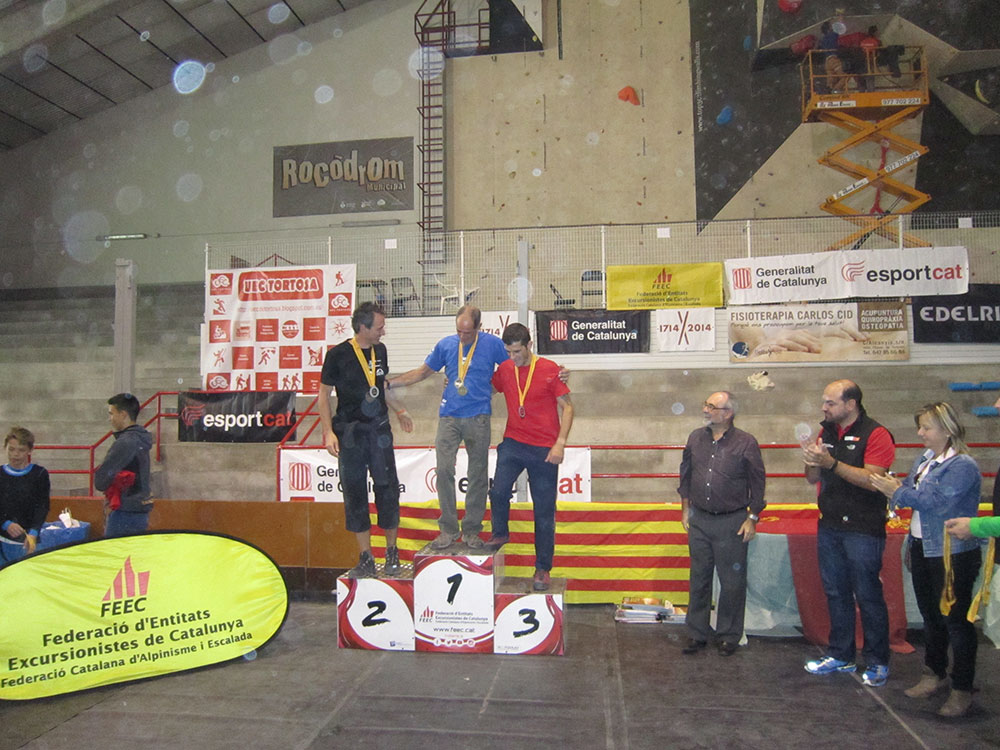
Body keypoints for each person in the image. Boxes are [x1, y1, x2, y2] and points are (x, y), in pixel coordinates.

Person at [871, 402, 981, 717]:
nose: (920, 433)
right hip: (923, 546)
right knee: (931, 616)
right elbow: (910, 490)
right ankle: (934, 672)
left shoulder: (962, 465)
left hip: (953, 552)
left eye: (926, 427)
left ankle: (962, 688)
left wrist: (895, 491)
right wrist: (894, 488)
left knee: (957, 622)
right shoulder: (926, 459)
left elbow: (936, 503)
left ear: (947, 429)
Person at [386, 306, 510, 550]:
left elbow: (514, 368)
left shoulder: (492, 344)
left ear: (479, 327)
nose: (462, 337)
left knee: (477, 475)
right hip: (449, 417)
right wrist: (391, 383)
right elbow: (422, 372)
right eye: (459, 331)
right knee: (443, 470)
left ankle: (471, 530)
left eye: (468, 332)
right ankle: (448, 530)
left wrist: (492, 389)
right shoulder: (445, 345)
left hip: (478, 417)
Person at [802, 379, 895, 687]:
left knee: (868, 595)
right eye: (824, 402)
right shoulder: (826, 432)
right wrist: (812, 462)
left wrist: (831, 463)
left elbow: (873, 480)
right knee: (836, 592)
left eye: (830, 403)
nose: (824, 408)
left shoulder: (876, 434)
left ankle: (878, 660)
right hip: (830, 525)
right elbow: (812, 478)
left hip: (863, 528)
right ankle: (841, 654)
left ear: (851, 404)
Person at [318, 302, 413, 578]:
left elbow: (379, 387)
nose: (383, 331)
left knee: (388, 489)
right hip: (350, 434)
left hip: (379, 432)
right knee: (355, 492)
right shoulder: (337, 355)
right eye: (379, 327)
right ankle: (366, 557)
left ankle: (392, 552)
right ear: (363, 327)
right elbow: (323, 395)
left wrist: (399, 410)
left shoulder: (380, 351)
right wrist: (328, 431)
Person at [486, 322, 573, 592]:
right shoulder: (505, 369)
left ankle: (542, 568)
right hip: (514, 442)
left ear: (529, 345)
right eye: (508, 352)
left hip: (544, 449)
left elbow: (568, 408)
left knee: (544, 511)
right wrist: (456, 384)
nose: (513, 357)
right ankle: (500, 532)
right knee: (498, 491)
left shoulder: (549, 369)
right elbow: (487, 389)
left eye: (517, 352)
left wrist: (560, 444)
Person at [678, 392, 766, 656]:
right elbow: (685, 475)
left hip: (732, 521)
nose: (705, 410)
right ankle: (697, 633)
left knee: (732, 582)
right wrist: (685, 509)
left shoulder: (746, 442)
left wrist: (752, 518)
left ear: (728, 413)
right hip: (700, 520)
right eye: (705, 404)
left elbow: (758, 483)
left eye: (711, 406)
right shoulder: (695, 438)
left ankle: (728, 635)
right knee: (699, 578)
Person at [95, 393, 153, 537]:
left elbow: (101, 480)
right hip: (140, 508)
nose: (110, 418)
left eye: (111, 413)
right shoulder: (141, 438)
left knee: (116, 551)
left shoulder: (125, 442)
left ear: (123, 414)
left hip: (125, 511)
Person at [0, 426, 50, 563]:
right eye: (11, 449)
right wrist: (5, 524)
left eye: (21, 450)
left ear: (30, 450)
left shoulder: (39, 474)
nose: (15, 454)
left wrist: (34, 532)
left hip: (28, 540)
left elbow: (42, 506)